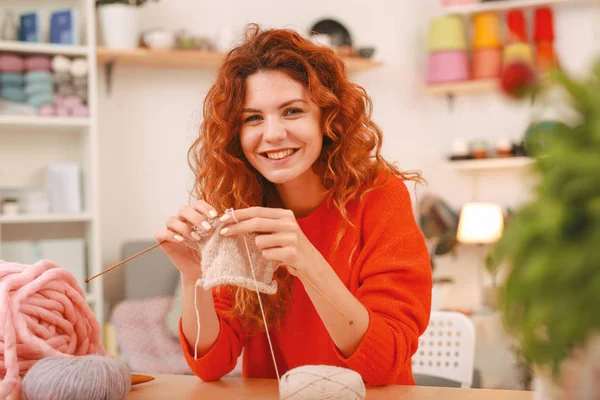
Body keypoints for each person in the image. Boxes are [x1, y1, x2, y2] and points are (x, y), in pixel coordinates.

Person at [154, 24, 432, 386]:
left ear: (327, 117)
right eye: (253, 118)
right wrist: (194, 277)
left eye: (292, 111)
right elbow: (212, 364)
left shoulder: (380, 197)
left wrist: (306, 260)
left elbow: (381, 365)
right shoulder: (239, 205)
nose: (272, 134)